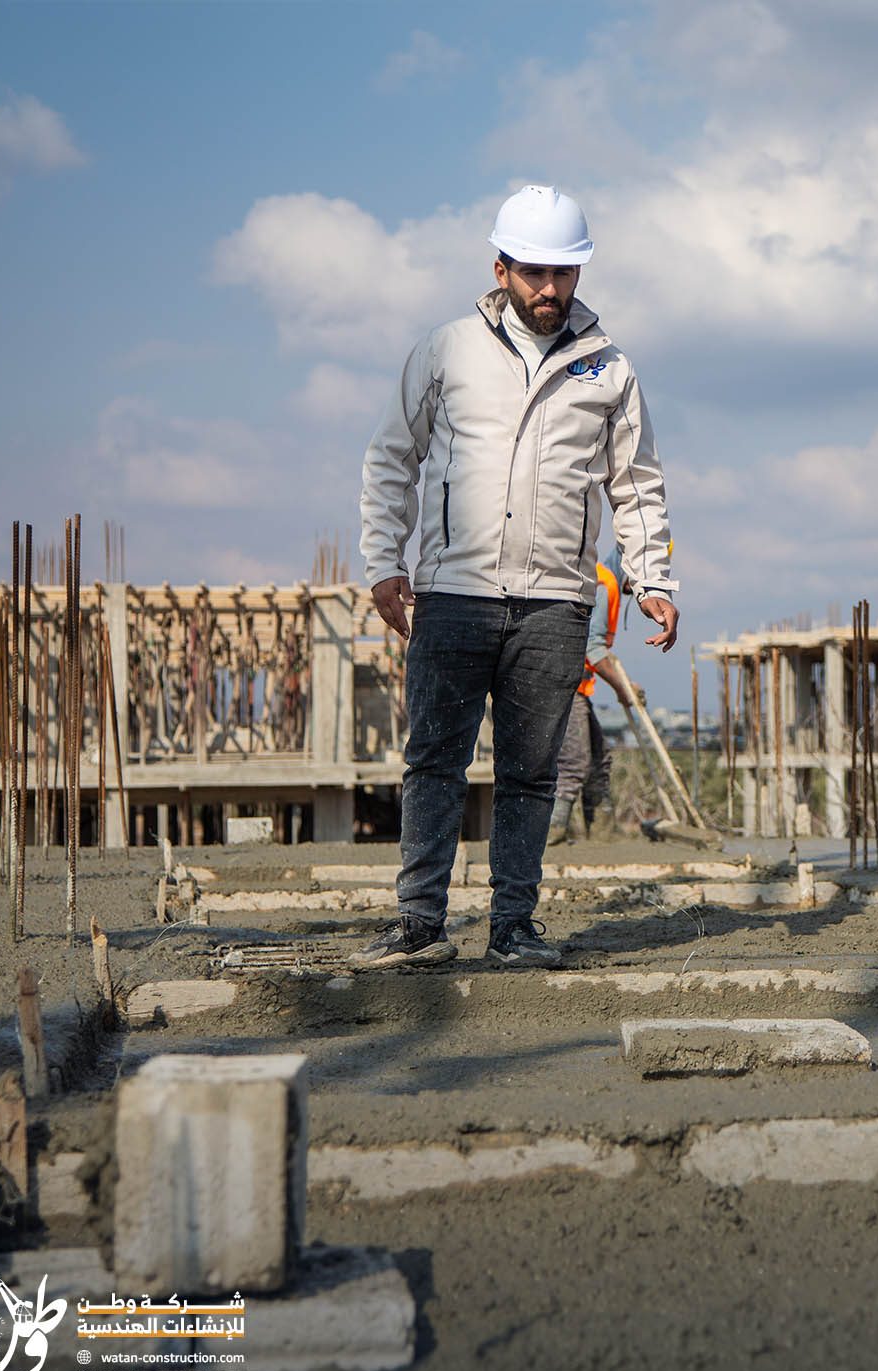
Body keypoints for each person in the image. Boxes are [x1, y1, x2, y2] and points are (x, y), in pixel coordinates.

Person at [352, 185, 679, 969]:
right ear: (500, 268)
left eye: (564, 273)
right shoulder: (447, 351)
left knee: (529, 770)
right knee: (434, 759)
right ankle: (420, 925)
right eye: (534, 272)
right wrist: (383, 563)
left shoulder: (608, 368)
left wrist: (650, 578)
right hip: (454, 597)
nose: (549, 289)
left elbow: (634, 484)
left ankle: (513, 927)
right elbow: (393, 456)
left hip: (555, 604)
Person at [548, 544, 633, 844]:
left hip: (577, 688)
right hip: (565, 685)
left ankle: (602, 834)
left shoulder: (606, 581)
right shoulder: (603, 584)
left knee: (599, 759)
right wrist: (624, 689)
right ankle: (553, 833)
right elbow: (592, 648)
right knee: (575, 761)